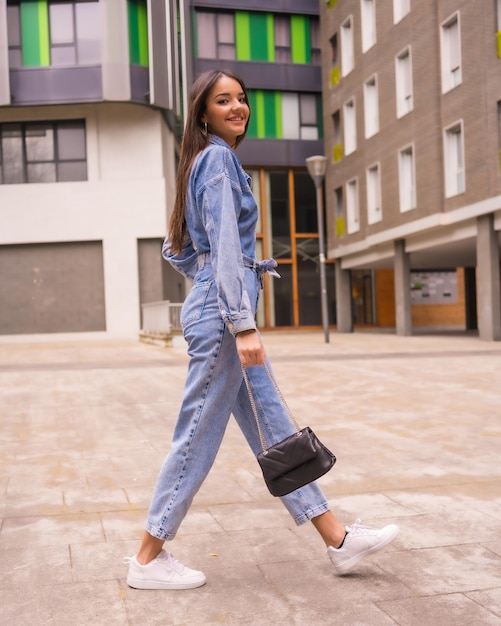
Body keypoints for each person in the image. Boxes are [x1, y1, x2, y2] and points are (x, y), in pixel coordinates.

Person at [124, 69, 399, 590]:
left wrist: (211, 281)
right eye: (222, 101)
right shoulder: (217, 159)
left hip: (220, 307)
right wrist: (239, 319)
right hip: (226, 319)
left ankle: (337, 540)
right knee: (197, 433)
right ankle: (145, 559)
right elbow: (225, 246)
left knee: (273, 429)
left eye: (242, 100)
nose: (237, 108)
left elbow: (175, 248)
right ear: (202, 113)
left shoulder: (201, 163)